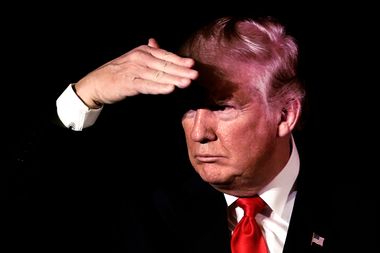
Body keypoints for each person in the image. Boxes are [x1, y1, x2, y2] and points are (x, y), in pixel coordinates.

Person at [8, 15, 363, 253]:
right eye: (190, 108)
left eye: (222, 108)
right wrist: (85, 95)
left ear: (285, 115)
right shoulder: (147, 207)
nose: (199, 131)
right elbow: (23, 204)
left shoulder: (358, 206)